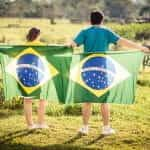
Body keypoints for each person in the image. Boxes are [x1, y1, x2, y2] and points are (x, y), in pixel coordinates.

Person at [68, 11, 149, 135]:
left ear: (90, 20)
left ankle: (85, 128)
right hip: (103, 70)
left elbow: (72, 45)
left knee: (87, 100)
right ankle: (106, 128)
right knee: (104, 101)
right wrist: (140, 48)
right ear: (102, 20)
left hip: (86, 70)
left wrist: (62, 45)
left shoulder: (84, 32)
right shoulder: (106, 31)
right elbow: (123, 42)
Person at [24, 27, 49, 130]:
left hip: (24, 75)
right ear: (38, 35)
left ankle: (30, 125)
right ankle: (40, 123)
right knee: (42, 99)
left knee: (27, 100)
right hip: (38, 75)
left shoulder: (22, 46)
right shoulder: (42, 46)